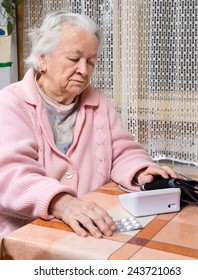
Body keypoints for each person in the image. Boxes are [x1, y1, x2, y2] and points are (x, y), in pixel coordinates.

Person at [0, 11, 180, 239]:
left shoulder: (98, 102)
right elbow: (9, 173)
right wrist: (62, 203)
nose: (84, 71)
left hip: (89, 227)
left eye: (91, 61)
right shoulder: (10, 103)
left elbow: (121, 151)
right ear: (43, 58)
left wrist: (141, 171)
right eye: (74, 59)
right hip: (26, 233)